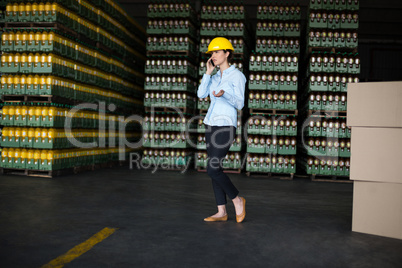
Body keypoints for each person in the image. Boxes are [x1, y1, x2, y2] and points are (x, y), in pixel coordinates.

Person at [197, 37, 247, 223]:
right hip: (210, 124)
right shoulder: (214, 76)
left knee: (212, 168)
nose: (213, 55)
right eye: (212, 53)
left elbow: (240, 103)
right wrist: (208, 74)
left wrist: (225, 94)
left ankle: (237, 200)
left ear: (227, 53)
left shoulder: (237, 76)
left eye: (217, 52)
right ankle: (221, 211)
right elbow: (201, 94)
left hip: (226, 125)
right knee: (215, 167)